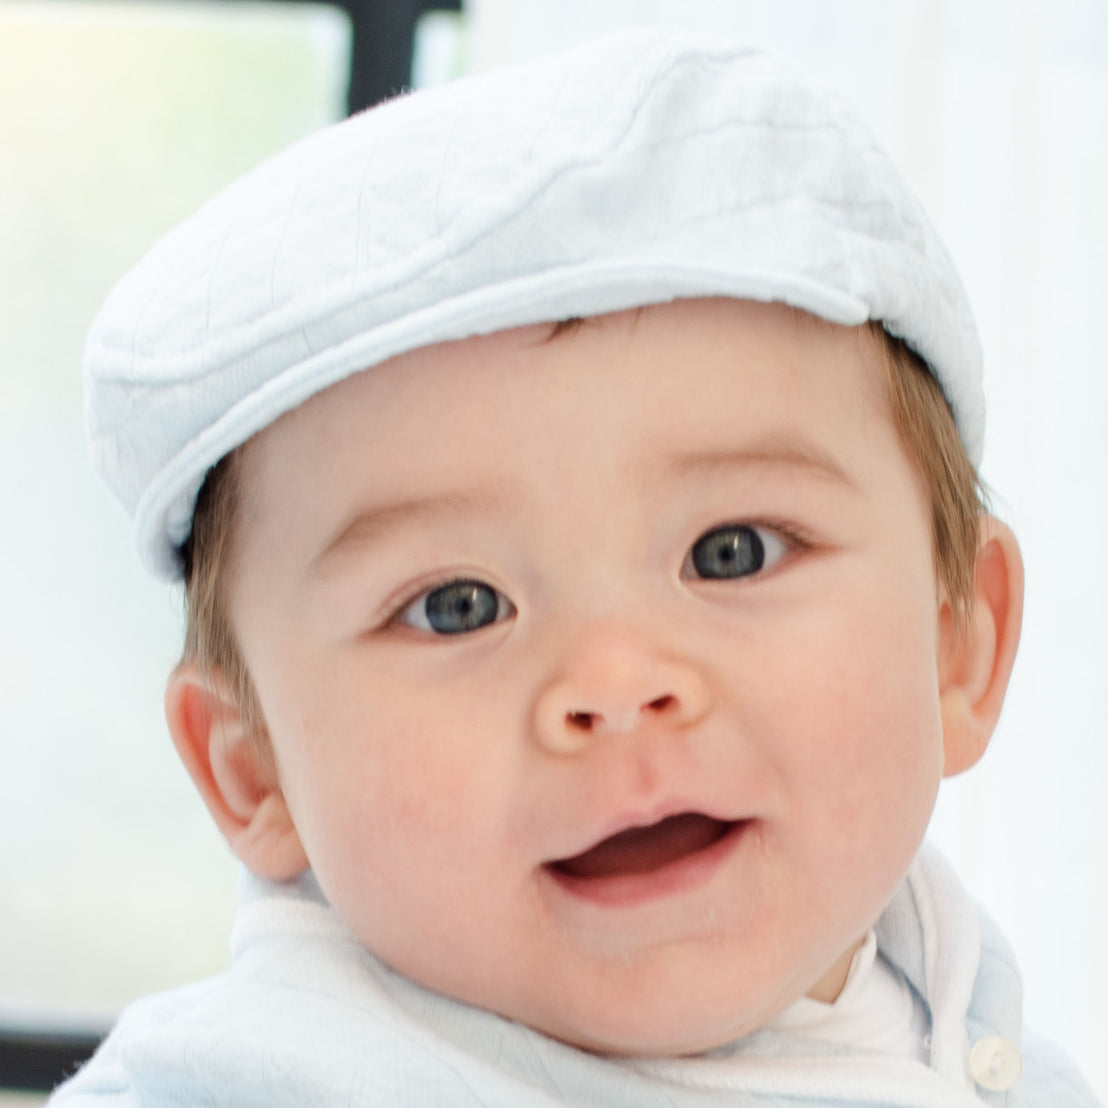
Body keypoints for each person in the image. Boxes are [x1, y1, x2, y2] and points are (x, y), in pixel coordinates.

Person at [52, 29, 1100, 1107]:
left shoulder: (999, 1056)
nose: (613, 681)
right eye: (457, 607)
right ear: (252, 764)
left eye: (728, 553)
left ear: (955, 642)